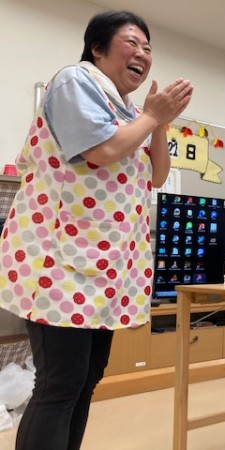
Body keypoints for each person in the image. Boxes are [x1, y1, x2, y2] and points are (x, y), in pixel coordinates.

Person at [0, 10, 193, 450]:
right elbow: (102, 151)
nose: (143, 53)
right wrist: (151, 116)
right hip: (58, 264)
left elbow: (157, 175)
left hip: (105, 270)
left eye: (148, 47)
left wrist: (158, 122)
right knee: (61, 381)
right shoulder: (75, 80)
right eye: (132, 43)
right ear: (97, 48)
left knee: (86, 379)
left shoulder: (129, 112)